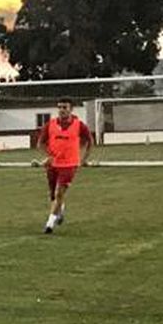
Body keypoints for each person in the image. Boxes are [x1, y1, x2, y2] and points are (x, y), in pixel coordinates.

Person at [35, 98, 94, 234]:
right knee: (53, 195)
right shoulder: (50, 124)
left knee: (59, 192)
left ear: (71, 109)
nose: (62, 110)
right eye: (60, 107)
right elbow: (40, 143)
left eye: (65, 107)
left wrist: (84, 159)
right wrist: (48, 156)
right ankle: (60, 210)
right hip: (53, 165)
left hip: (69, 164)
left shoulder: (79, 125)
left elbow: (90, 141)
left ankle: (49, 224)